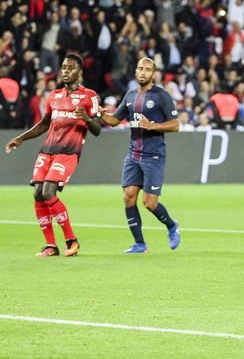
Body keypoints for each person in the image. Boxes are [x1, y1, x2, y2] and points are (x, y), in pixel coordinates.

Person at [4, 53, 101, 257]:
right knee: (38, 193)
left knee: (48, 192)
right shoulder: (54, 96)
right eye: (64, 67)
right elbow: (44, 124)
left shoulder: (89, 96)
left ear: (80, 72)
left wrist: (87, 118)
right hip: (47, 150)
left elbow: (97, 129)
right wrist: (21, 138)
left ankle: (71, 241)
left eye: (71, 68)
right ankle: (51, 246)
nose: (66, 71)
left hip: (68, 152)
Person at [100, 57, 181, 253]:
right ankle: (140, 244)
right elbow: (115, 120)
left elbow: (176, 124)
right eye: (140, 69)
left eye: (147, 69)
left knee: (149, 203)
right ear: (135, 72)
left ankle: (172, 225)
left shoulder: (161, 96)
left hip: (153, 155)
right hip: (133, 154)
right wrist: (100, 114)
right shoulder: (130, 95)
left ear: (153, 74)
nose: (143, 72)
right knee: (128, 197)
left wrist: (153, 126)